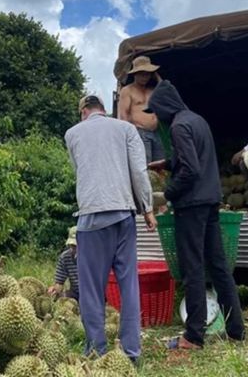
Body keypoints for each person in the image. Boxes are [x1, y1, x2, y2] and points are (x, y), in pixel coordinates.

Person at [145, 80, 245, 349]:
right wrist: (168, 163)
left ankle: (193, 336)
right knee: (219, 266)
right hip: (211, 200)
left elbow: (190, 170)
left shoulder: (178, 126)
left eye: (156, 111)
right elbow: (196, 158)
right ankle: (236, 329)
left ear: (165, 107)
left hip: (191, 205)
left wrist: (167, 194)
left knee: (193, 268)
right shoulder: (196, 120)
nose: (157, 117)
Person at [64, 94, 157, 362]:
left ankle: (96, 349)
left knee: (92, 289)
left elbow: (80, 170)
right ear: (104, 110)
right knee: (128, 285)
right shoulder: (126, 128)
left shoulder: (73, 134)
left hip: (91, 219)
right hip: (124, 216)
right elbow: (139, 172)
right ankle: (131, 352)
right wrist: (147, 209)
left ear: (83, 111)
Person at [118, 55, 164, 163]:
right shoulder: (127, 90)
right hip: (139, 132)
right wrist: (130, 136)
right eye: (142, 73)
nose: (145, 76)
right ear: (135, 74)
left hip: (155, 132)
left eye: (147, 73)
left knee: (160, 165)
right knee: (145, 165)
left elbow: (165, 88)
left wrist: (156, 75)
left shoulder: (152, 90)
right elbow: (123, 115)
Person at [47, 226, 79, 301]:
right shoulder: (65, 257)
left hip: (92, 294)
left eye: (76, 245)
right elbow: (59, 281)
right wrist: (55, 289)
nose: (74, 248)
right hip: (75, 293)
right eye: (72, 245)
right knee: (60, 299)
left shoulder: (92, 256)